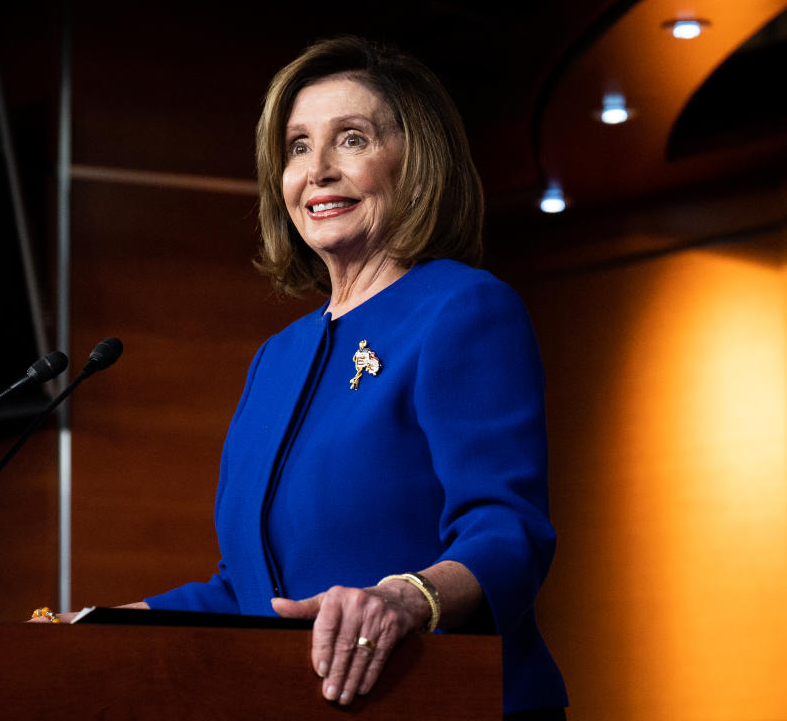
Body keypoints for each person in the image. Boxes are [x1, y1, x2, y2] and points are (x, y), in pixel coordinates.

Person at [31, 36, 568, 719]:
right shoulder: (277, 358)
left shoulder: (462, 310)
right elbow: (247, 592)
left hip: (445, 702)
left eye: (351, 140)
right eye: (297, 147)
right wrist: (90, 626)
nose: (316, 170)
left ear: (416, 163)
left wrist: (405, 598)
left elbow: (508, 531)